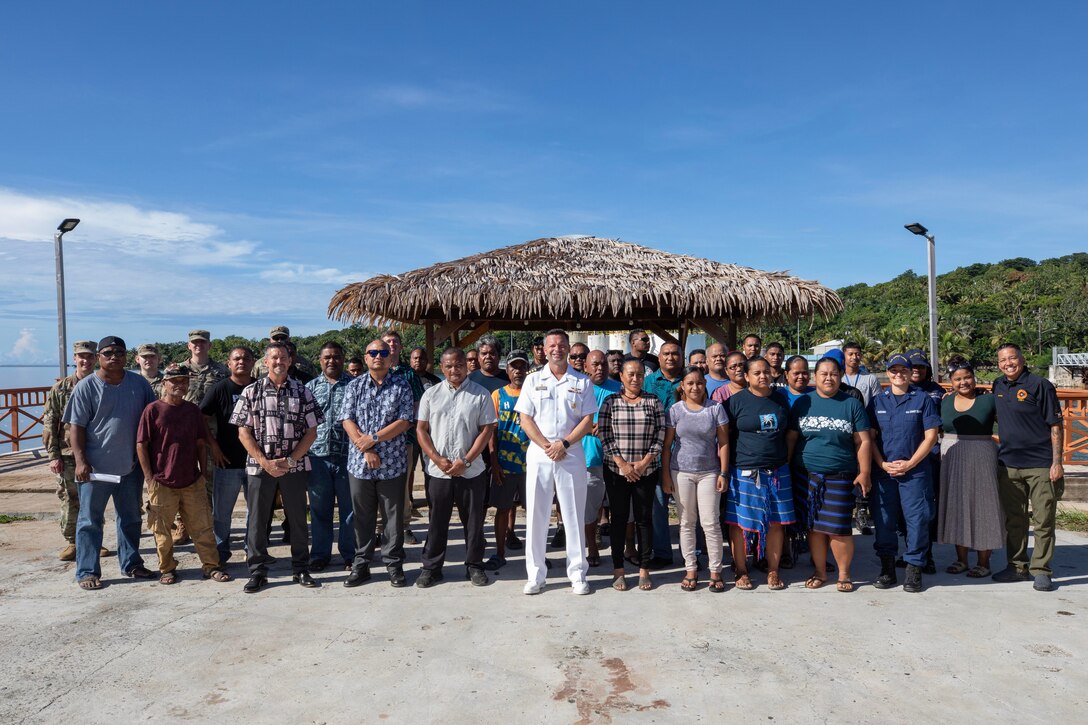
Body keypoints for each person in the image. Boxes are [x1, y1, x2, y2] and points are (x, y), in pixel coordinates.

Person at [63, 336, 158, 590]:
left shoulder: (139, 384)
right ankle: (87, 571)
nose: (113, 356)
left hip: (131, 468)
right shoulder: (86, 387)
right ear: (98, 357)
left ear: (127, 356)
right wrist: (81, 461)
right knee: (90, 521)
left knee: (130, 519)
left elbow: (152, 421)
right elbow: (76, 427)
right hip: (96, 470)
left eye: (119, 352)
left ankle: (132, 564)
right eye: (107, 352)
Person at [230, 342, 324, 593]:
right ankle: (258, 572)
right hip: (260, 468)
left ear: (290, 360)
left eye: (283, 357)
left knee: (297, 520)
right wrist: (265, 462)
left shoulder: (303, 392)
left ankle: (300, 569)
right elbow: (243, 432)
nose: (279, 361)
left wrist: (291, 460)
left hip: (294, 466)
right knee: (258, 522)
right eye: (274, 358)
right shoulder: (251, 392)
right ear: (266, 361)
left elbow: (311, 431)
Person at [515, 328, 598, 595]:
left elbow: (587, 420)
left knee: (573, 514)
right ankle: (536, 575)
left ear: (568, 348)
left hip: (570, 452)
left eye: (561, 345)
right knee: (537, 515)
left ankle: (577, 574)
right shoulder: (532, 380)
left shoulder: (582, 382)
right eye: (551, 345)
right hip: (540, 452)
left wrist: (563, 444)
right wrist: (546, 445)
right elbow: (525, 418)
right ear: (544, 349)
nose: (556, 349)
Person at [137, 364, 231, 585]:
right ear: (164, 383)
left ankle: (211, 566)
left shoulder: (192, 410)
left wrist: (201, 473)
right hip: (161, 481)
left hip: (191, 480)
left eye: (184, 381)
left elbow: (200, 443)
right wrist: (149, 478)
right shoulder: (153, 410)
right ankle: (167, 569)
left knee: (203, 528)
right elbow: (142, 444)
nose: (180, 385)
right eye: (175, 381)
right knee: (162, 532)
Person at [787, 357, 871, 592]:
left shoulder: (851, 403)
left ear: (841, 376)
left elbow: (863, 441)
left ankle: (844, 574)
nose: (828, 378)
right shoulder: (803, 402)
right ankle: (821, 571)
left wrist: (864, 472)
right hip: (806, 475)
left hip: (840, 474)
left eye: (833, 373)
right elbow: (792, 438)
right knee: (814, 527)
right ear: (815, 377)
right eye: (823, 373)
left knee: (839, 528)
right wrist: (786, 466)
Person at [415, 347, 497, 588]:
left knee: (473, 521)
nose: (454, 370)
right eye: (449, 366)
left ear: (466, 365)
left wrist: (467, 460)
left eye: (459, 365)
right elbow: (421, 429)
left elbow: (486, 430)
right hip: (439, 470)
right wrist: (437, 458)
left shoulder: (480, 395)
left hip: (471, 470)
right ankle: (431, 567)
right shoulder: (431, 394)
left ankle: (474, 565)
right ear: (442, 367)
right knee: (437, 520)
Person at [339, 339, 415, 588]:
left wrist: (372, 439)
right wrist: (366, 448)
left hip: (392, 463)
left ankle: (393, 564)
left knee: (392, 518)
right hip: (359, 464)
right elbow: (347, 419)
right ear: (366, 356)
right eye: (373, 352)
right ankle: (362, 565)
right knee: (362, 516)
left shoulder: (401, 385)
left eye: (383, 352)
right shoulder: (354, 386)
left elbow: (405, 421)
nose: (378, 356)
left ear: (389, 356)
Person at [990, 343, 1065, 591]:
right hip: (1009, 464)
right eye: (1002, 360)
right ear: (998, 364)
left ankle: (1041, 570)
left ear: (1022, 359)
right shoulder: (997, 385)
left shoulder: (1039, 385)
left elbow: (1055, 425)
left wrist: (1057, 462)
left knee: (1044, 520)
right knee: (1014, 520)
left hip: (1041, 464)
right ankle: (1016, 566)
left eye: (1012, 358)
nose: (1008, 363)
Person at [868, 353, 941, 593]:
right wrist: (880, 464)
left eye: (903, 370)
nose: (898, 374)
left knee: (917, 520)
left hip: (915, 472)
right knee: (884, 520)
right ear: (887, 373)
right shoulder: (878, 401)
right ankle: (887, 569)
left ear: (911, 373)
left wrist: (910, 463)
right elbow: (869, 437)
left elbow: (931, 436)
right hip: (885, 472)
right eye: (894, 370)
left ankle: (914, 569)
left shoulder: (922, 400)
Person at [724, 357, 795, 591]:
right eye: (756, 373)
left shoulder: (781, 400)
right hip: (744, 471)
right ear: (746, 376)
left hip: (777, 471)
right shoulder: (734, 402)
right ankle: (741, 570)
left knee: (776, 522)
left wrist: (785, 459)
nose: (763, 376)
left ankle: (773, 570)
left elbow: (790, 434)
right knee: (740, 524)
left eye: (766, 372)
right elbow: (725, 438)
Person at [598, 359, 665, 591]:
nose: (635, 378)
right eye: (630, 374)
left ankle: (644, 569)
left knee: (644, 520)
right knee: (618, 519)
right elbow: (605, 435)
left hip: (646, 470)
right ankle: (618, 570)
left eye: (639, 374)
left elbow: (660, 434)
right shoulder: (610, 402)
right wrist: (623, 464)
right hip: (617, 472)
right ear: (622, 376)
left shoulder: (652, 401)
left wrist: (645, 462)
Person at [661, 367, 729, 592]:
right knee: (686, 523)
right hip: (681, 472)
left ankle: (715, 571)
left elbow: (724, 442)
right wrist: (665, 476)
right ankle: (690, 569)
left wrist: (723, 472)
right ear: (683, 386)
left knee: (710, 523)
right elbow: (667, 446)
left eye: (699, 383)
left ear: (704, 384)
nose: (695, 387)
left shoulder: (715, 409)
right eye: (690, 383)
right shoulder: (675, 410)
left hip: (710, 472)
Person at [43, 340, 108, 561]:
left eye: (90, 357)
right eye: (81, 356)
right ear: (74, 359)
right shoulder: (61, 388)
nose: (86, 361)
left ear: (96, 358)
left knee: (94, 501)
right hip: (68, 454)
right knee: (70, 499)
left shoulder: (102, 384)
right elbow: (50, 423)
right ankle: (72, 542)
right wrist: (54, 456)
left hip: (96, 452)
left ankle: (94, 542)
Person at [938, 361, 1003, 578]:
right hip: (951, 455)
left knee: (984, 507)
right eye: (957, 379)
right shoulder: (944, 401)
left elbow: (1009, 423)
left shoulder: (988, 399)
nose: (963, 382)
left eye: (967, 377)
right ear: (951, 382)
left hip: (982, 455)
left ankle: (984, 562)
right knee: (956, 506)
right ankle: (961, 559)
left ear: (974, 378)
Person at [200, 345, 255, 565]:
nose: (241, 362)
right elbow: (201, 419)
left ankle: (253, 551)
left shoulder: (261, 388)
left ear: (253, 362)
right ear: (229, 363)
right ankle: (220, 553)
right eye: (237, 359)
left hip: (256, 461)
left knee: (256, 512)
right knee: (222, 514)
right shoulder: (219, 388)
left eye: (246, 358)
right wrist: (213, 446)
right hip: (227, 460)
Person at [305, 341, 355, 571]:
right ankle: (320, 555)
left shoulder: (355, 386)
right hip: (317, 457)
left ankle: (350, 554)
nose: (332, 361)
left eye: (336, 357)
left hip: (348, 456)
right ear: (320, 360)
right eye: (327, 357)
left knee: (350, 510)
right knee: (319, 510)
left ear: (343, 359)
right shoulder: (309, 388)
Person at [486, 349, 532, 571]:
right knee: (503, 510)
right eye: (514, 366)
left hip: (531, 465)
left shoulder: (533, 393)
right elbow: (491, 432)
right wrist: (494, 463)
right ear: (507, 369)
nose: (518, 371)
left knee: (534, 512)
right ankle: (500, 553)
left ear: (528, 369)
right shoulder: (497, 395)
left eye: (522, 366)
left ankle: (535, 555)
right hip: (504, 464)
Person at [642, 341, 683, 567]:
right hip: (656, 455)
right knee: (658, 508)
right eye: (666, 354)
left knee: (688, 508)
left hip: (686, 455)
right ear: (658, 358)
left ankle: (692, 553)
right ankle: (662, 553)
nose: (670, 357)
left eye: (675, 354)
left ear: (681, 357)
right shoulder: (647, 383)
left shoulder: (690, 381)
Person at [383, 330, 426, 543]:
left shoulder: (409, 375)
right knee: (374, 487)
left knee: (401, 486)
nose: (391, 345)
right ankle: (378, 528)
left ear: (400, 347)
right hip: (376, 443)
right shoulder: (372, 372)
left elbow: (418, 407)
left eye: (395, 342)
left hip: (404, 440)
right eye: (387, 341)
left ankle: (404, 526)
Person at [583, 350, 621, 568]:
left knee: (622, 507)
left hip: (617, 458)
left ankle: (627, 547)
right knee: (590, 509)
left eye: (603, 365)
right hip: (590, 458)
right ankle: (592, 547)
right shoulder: (578, 388)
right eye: (595, 364)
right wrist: (589, 427)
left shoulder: (619, 388)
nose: (600, 368)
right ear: (586, 367)